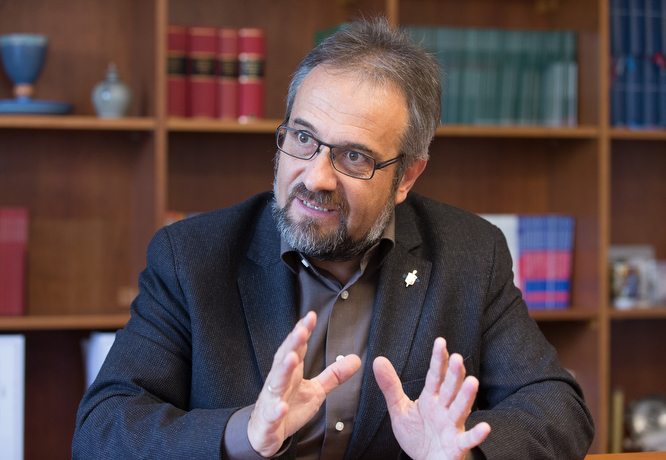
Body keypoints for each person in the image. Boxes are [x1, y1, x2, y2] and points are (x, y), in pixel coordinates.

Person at [72, 18, 594, 460]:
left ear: (407, 177)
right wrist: (244, 432)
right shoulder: (191, 256)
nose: (316, 177)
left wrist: (466, 447)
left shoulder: (470, 254)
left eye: (354, 157)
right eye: (303, 138)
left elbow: (557, 406)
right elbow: (102, 428)